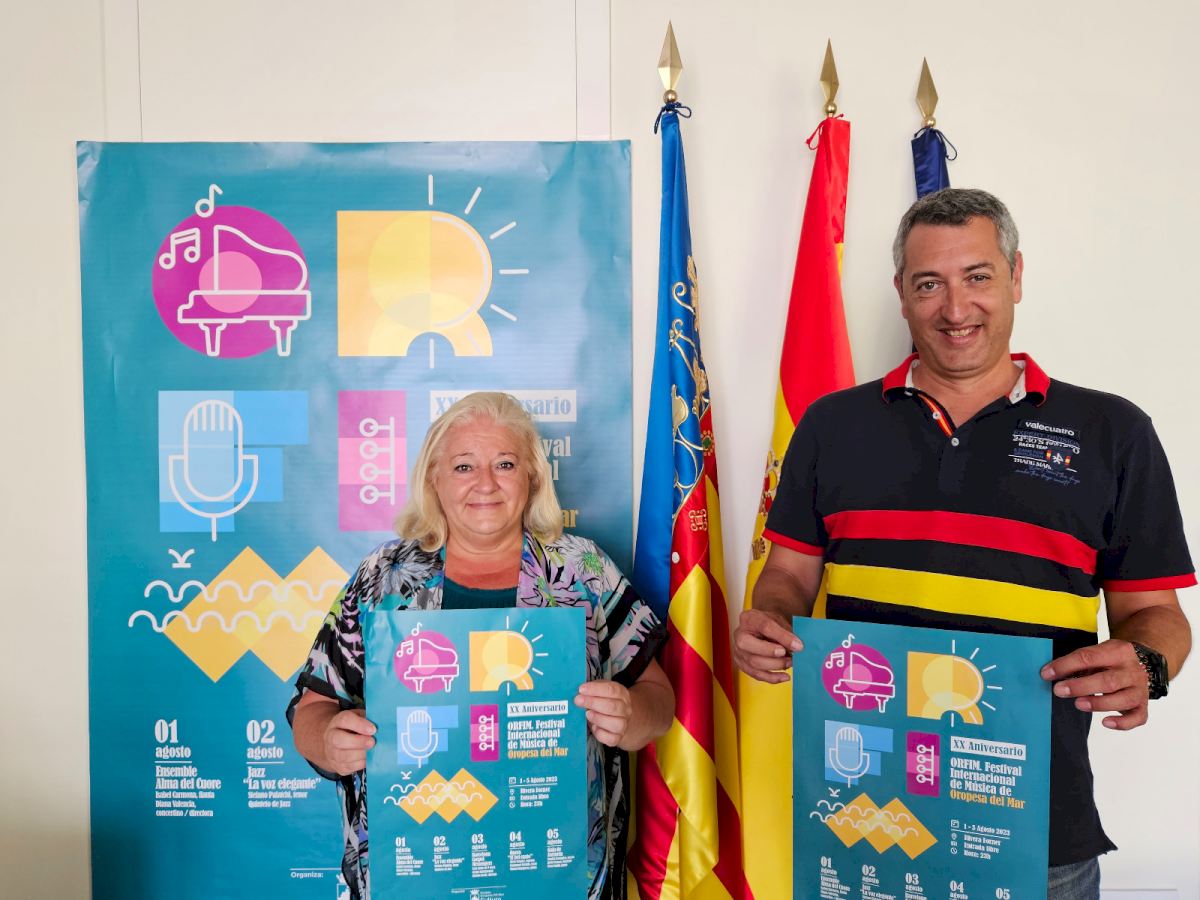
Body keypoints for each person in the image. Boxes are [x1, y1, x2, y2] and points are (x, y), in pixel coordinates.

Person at [733, 188, 1193, 898]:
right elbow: (788, 575)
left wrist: (1149, 665)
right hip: (862, 812)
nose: (955, 308)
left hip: (1037, 827)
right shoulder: (831, 426)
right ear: (900, 293)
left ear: (1016, 275)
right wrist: (769, 619)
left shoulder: (1113, 432)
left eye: (977, 276)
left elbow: (1155, 613)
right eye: (929, 284)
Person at [289, 391, 673, 900]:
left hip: (559, 868)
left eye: (505, 464)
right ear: (434, 478)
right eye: (464, 466)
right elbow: (311, 709)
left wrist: (630, 715)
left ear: (532, 476)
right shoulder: (384, 576)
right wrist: (329, 741)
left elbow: (659, 701)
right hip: (413, 867)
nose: (486, 483)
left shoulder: (582, 570)